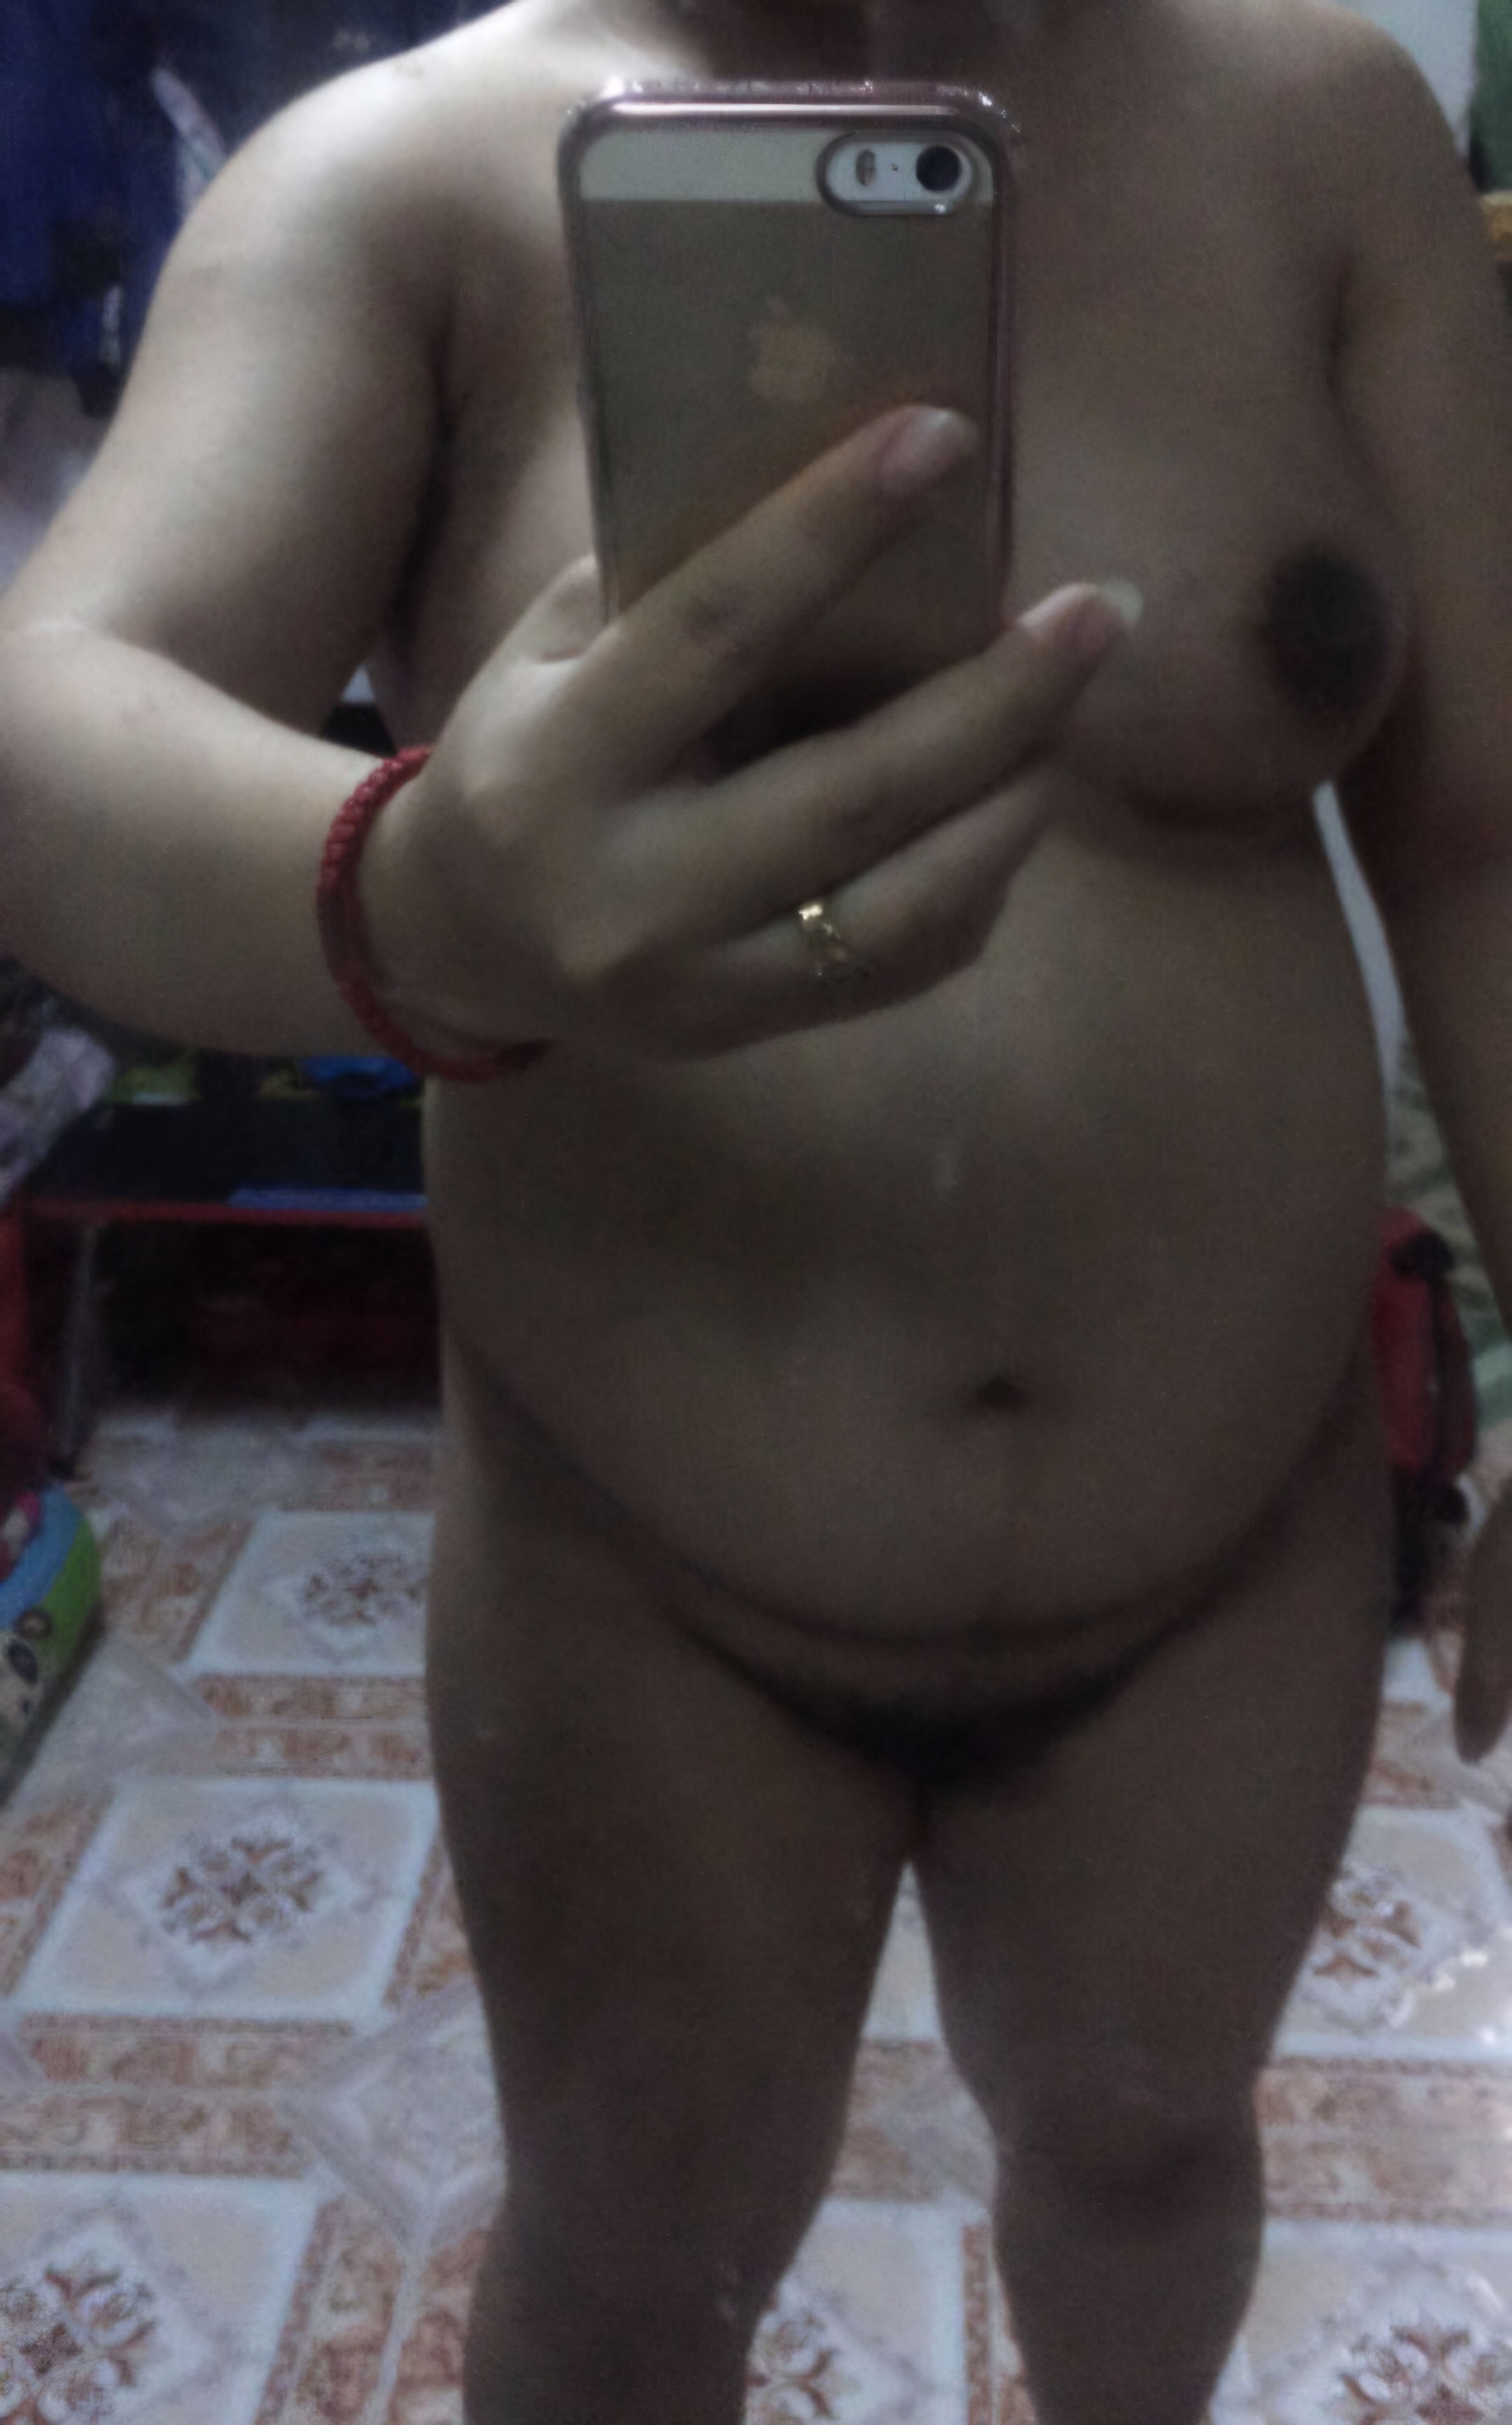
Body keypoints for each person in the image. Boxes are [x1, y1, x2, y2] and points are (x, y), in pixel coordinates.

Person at [3, 0, 1512, 2416]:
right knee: (636, 2247)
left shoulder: (1329, 137)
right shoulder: (415, 178)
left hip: (1225, 1559)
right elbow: (50, 726)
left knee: (1150, 2154)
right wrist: (407, 892)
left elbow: (1480, 827)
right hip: (647, 1590)